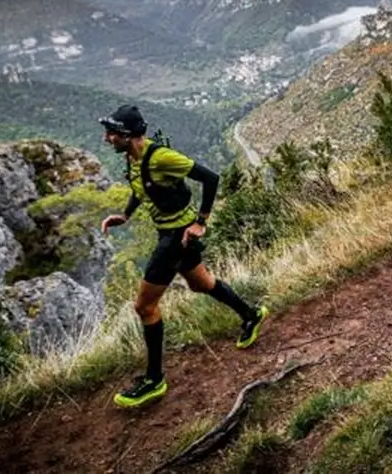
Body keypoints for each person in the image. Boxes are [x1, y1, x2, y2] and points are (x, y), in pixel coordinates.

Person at [96, 104, 269, 408]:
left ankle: (154, 380)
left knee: (145, 306)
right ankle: (251, 315)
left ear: (128, 134)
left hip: (177, 237)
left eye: (112, 133)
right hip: (172, 234)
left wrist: (200, 222)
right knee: (202, 283)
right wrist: (125, 215)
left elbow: (211, 178)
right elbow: (142, 188)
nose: (106, 138)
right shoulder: (133, 158)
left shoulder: (161, 157)